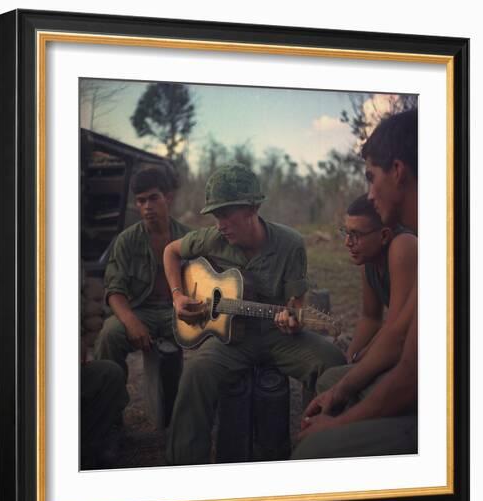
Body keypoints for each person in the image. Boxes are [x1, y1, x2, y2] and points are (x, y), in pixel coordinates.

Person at [163, 162, 345, 465]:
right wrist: (178, 295)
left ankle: (316, 453)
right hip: (229, 340)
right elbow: (171, 251)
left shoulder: (290, 243)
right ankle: (183, 469)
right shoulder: (211, 238)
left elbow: (296, 305)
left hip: (276, 336)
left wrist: (292, 320)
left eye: (226, 214)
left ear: (252, 208)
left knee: (331, 361)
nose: (220, 223)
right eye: (216, 215)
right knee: (195, 374)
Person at [290, 109, 419, 459]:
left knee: (312, 450)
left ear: (397, 171)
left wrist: (340, 423)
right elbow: (377, 323)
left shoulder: (411, 245)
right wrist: (350, 373)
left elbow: (404, 358)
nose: (370, 192)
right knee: (335, 382)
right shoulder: (423, 241)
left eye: (370, 176)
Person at [314, 193, 417, 396]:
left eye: (356, 235)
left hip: (414, 352)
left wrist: (364, 358)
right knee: (332, 377)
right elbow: (371, 318)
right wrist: (350, 360)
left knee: (338, 385)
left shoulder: (403, 246)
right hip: (396, 345)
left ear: (384, 235)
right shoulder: (368, 261)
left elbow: (395, 329)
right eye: (346, 232)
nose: (347, 243)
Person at [94, 166, 190, 374]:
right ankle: (109, 399)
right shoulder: (127, 240)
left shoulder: (188, 238)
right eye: (141, 201)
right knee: (109, 335)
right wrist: (130, 322)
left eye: (153, 198)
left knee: (216, 339)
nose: (147, 206)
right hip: (140, 310)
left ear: (168, 198)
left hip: (177, 312)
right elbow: (114, 290)